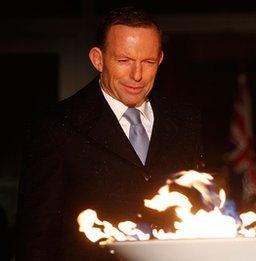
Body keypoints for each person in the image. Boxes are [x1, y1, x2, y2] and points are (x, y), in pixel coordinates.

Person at [16, 7, 202, 260]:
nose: (137, 75)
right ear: (98, 59)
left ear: (159, 59)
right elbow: (37, 238)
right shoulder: (56, 127)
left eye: (147, 62)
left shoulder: (185, 122)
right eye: (124, 61)